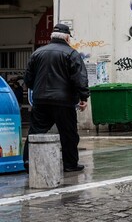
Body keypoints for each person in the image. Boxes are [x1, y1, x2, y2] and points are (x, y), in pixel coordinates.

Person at [23, 23, 89, 172]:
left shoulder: (37, 53)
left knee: (35, 132)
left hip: (41, 100)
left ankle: (28, 161)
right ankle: (70, 165)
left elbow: (28, 78)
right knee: (68, 133)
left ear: (52, 37)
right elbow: (80, 78)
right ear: (67, 37)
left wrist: (38, 90)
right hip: (63, 102)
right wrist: (83, 97)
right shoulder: (71, 53)